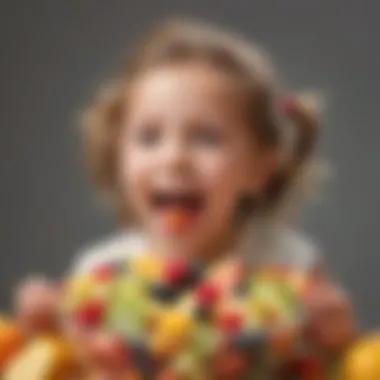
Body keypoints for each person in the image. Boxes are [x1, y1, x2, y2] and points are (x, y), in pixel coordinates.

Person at [14, 18, 356, 375]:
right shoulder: (99, 270)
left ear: (259, 169)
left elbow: (339, 363)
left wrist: (336, 334)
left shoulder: (291, 263)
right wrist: (48, 323)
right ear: (117, 157)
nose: (174, 157)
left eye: (206, 137)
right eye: (149, 137)